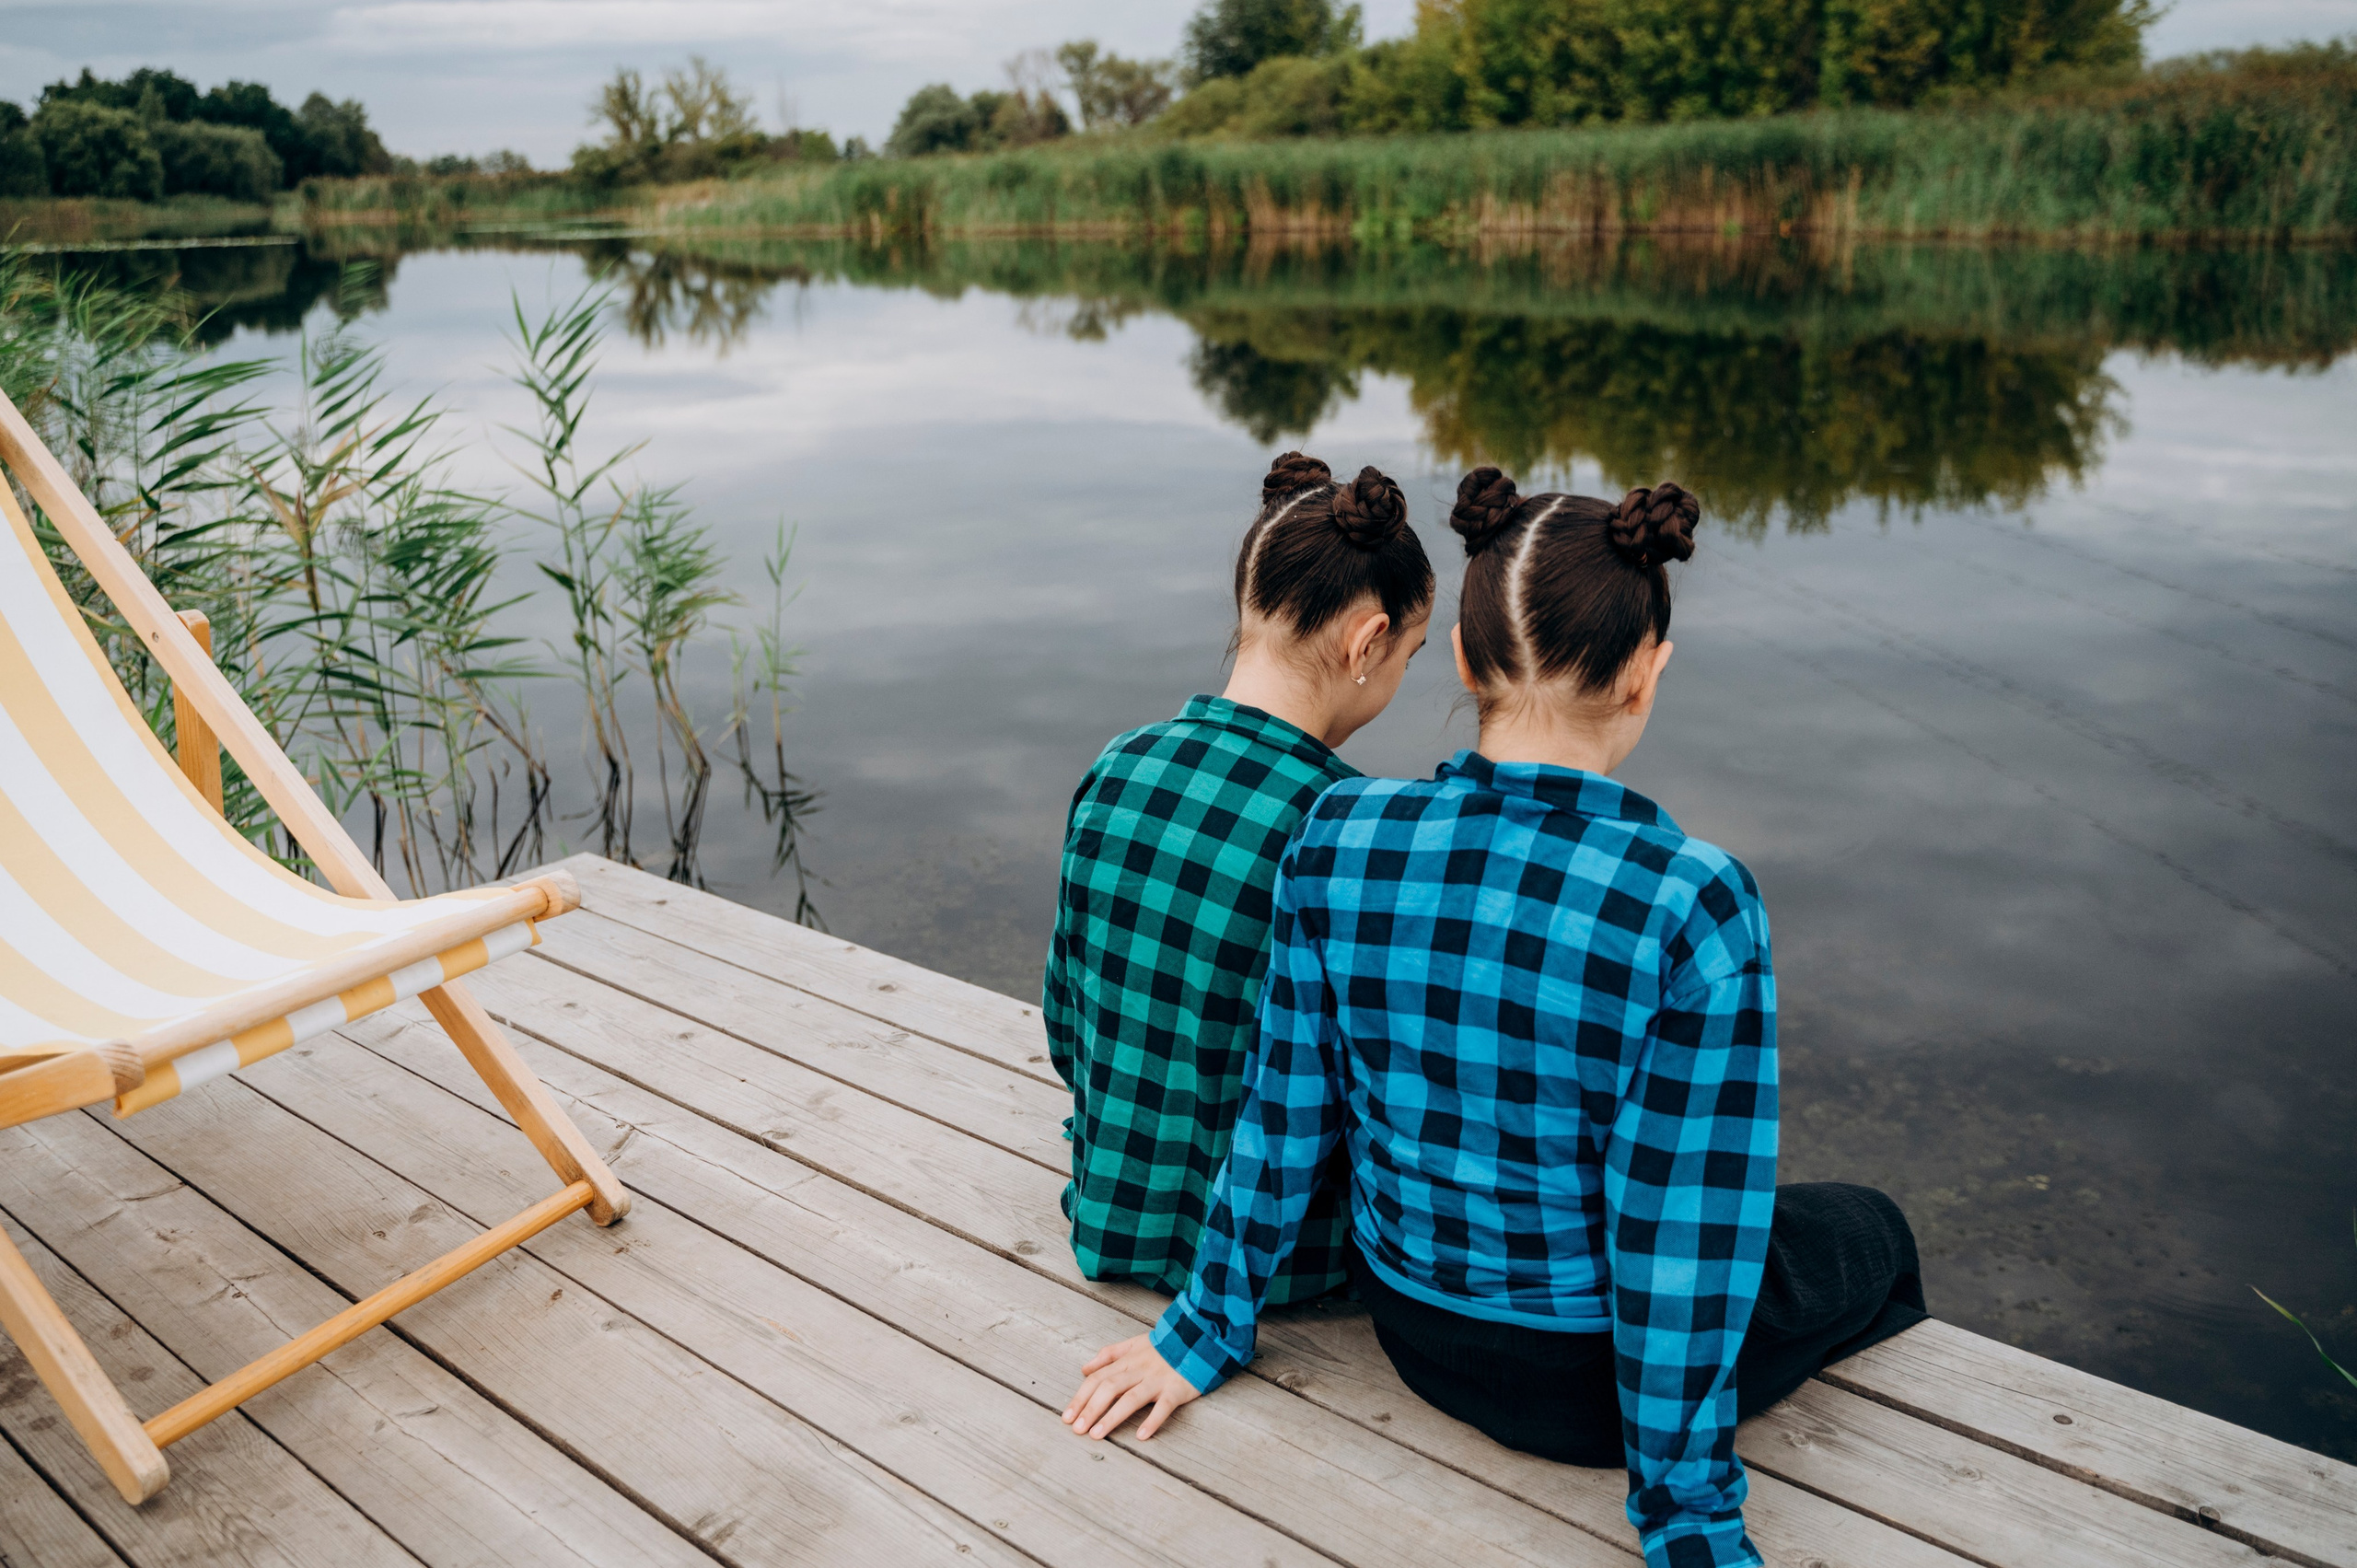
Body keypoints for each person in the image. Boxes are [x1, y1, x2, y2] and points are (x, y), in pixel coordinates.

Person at [1062, 469, 1927, 1568]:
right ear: (1646, 676)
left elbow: (1280, 1121)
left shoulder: (1337, 832)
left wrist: (1197, 1334)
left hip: (1412, 1332)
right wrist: (1689, 1525)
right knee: (1869, 1229)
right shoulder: (1691, 900)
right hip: (1579, 1392)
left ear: (1466, 662)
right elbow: (1675, 1242)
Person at [1042, 450, 1434, 1303]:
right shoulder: (1352, 828)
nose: (1404, 673)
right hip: (1285, 1267)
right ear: (1369, 640)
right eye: (1412, 651)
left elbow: (1066, 1030)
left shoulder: (1120, 764)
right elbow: (1384, 1100)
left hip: (1109, 1213)